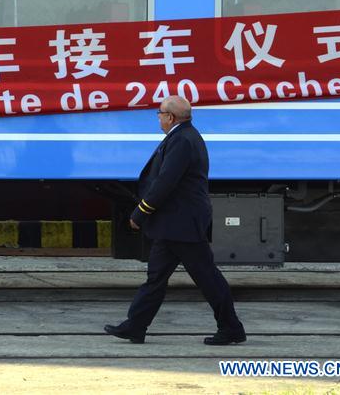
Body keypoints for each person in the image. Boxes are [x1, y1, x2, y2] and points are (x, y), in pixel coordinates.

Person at [104, 95, 246, 346]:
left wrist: (141, 212)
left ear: (170, 117)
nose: (157, 117)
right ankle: (136, 326)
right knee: (156, 277)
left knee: (207, 277)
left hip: (182, 224)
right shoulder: (184, 136)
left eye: (159, 113)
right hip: (173, 225)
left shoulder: (182, 140)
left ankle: (231, 327)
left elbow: (165, 182)